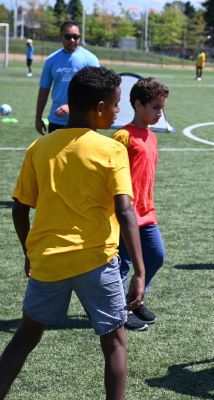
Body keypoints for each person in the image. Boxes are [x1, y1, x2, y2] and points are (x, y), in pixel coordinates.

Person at [0, 66, 146, 400]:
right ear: (98, 108)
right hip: (97, 261)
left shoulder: (40, 147)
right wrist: (139, 269)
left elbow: (20, 209)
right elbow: (125, 211)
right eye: (115, 104)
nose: (117, 111)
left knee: (24, 338)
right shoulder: (112, 149)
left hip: (48, 262)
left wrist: (29, 253)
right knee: (114, 343)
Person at [112, 77, 169, 332]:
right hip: (126, 214)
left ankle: (134, 299)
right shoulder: (123, 136)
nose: (160, 113)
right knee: (123, 264)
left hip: (147, 213)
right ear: (137, 104)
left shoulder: (152, 137)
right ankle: (119, 313)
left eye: (162, 108)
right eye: (156, 107)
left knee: (156, 255)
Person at [35, 21, 100, 135]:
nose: (72, 40)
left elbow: (97, 91)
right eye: (68, 36)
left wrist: (72, 106)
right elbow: (44, 90)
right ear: (61, 37)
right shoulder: (51, 60)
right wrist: (38, 118)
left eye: (76, 37)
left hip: (84, 121)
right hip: (57, 120)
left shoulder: (91, 59)